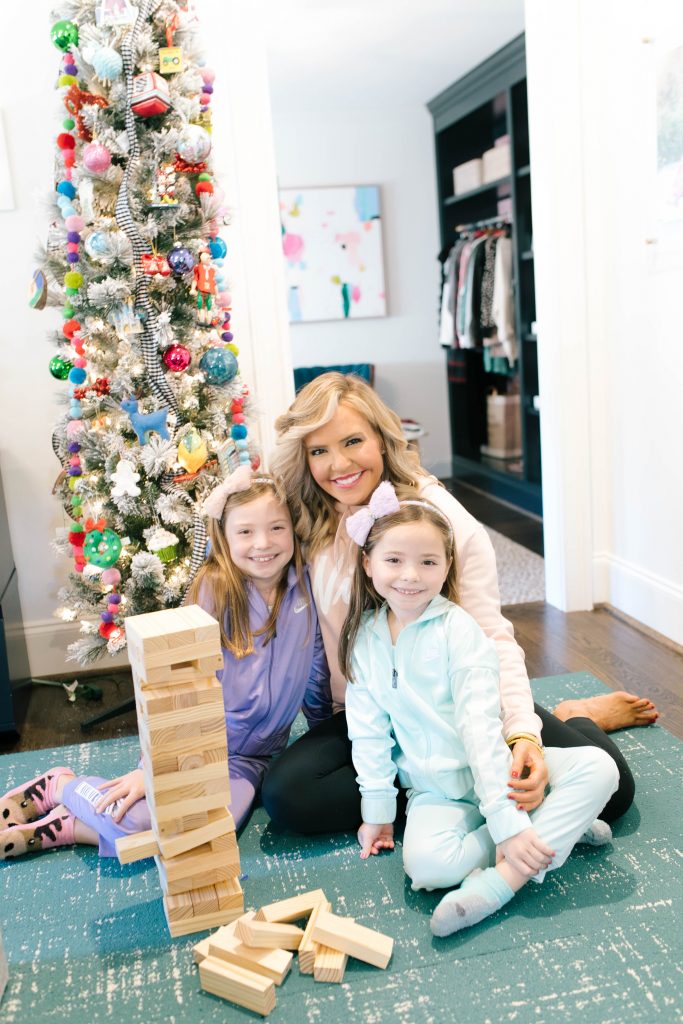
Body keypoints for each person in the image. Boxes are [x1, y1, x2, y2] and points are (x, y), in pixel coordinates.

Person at [261, 372, 656, 834]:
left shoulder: (444, 520)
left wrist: (522, 733)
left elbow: (491, 635)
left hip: (457, 711)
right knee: (288, 796)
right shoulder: (306, 522)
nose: (339, 464)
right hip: (370, 714)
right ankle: (451, 789)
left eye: (352, 441)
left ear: (383, 440)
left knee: (613, 794)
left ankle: (576, 717)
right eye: (319, 451)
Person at [0, 468, 331, 860]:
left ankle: (69, 827)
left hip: (251, 760)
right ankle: (61, 787)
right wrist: (154, 766)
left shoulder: (307, 587)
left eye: (277, 528)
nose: (263, 543)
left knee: (205, 833)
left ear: (293, 529)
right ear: (224, 536)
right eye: (245, 532)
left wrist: (323, 736)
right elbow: (171, 687)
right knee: (141, 821)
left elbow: (315, 668)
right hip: (193, 744)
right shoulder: (213, 591)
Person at [340, 483, 619, 937]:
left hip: (497, 772)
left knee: (600, 769)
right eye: (394, 560)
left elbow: (480, 731)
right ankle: (556, 827)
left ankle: (503, 883)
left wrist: (508, 823)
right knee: (426, 869)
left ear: (447, 566)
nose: (410, 575)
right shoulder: (364, 639)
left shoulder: (460, 631)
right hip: (436, 793)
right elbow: (368, 732)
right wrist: (377, 811)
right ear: (368, 563)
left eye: (428, 562)